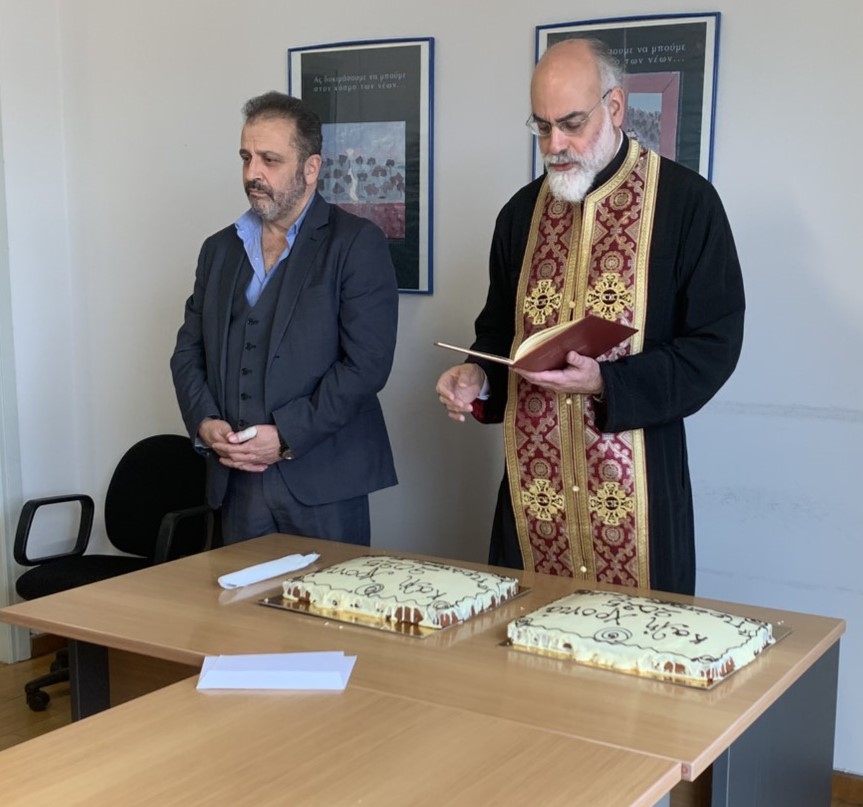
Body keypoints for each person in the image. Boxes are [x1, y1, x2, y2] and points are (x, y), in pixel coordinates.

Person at [436, 39, 744, 595]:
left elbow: (713, 345)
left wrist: (606, 382)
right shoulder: (519, 215)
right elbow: (498, 331)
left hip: (638, 495)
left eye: (572, 124)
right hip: (534, 497)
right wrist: (476, 375)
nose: (555, 145)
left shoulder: (686, 204)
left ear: (615, 107)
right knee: (523, 636)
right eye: (542, 127)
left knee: (641, 641)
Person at [171, 91, 398, 546]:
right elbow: (188, 351)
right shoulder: (218, 250)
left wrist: (287, 436)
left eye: (270, 160)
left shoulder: (356, 243)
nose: (252, 173)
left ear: (311, 168)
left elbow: (366, 365)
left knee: (329, 595)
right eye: (246, 157)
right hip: (236, 483)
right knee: (238, 595)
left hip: (325, 482)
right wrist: (205, 422)